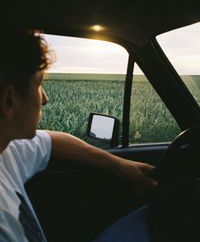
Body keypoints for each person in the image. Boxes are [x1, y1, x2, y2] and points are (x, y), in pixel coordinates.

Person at [0, 27, 157, 241]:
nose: (45, 98)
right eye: (39, 85)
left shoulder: (7, 150)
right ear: (9, 100)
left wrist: (122, 166)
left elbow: (52, 141)